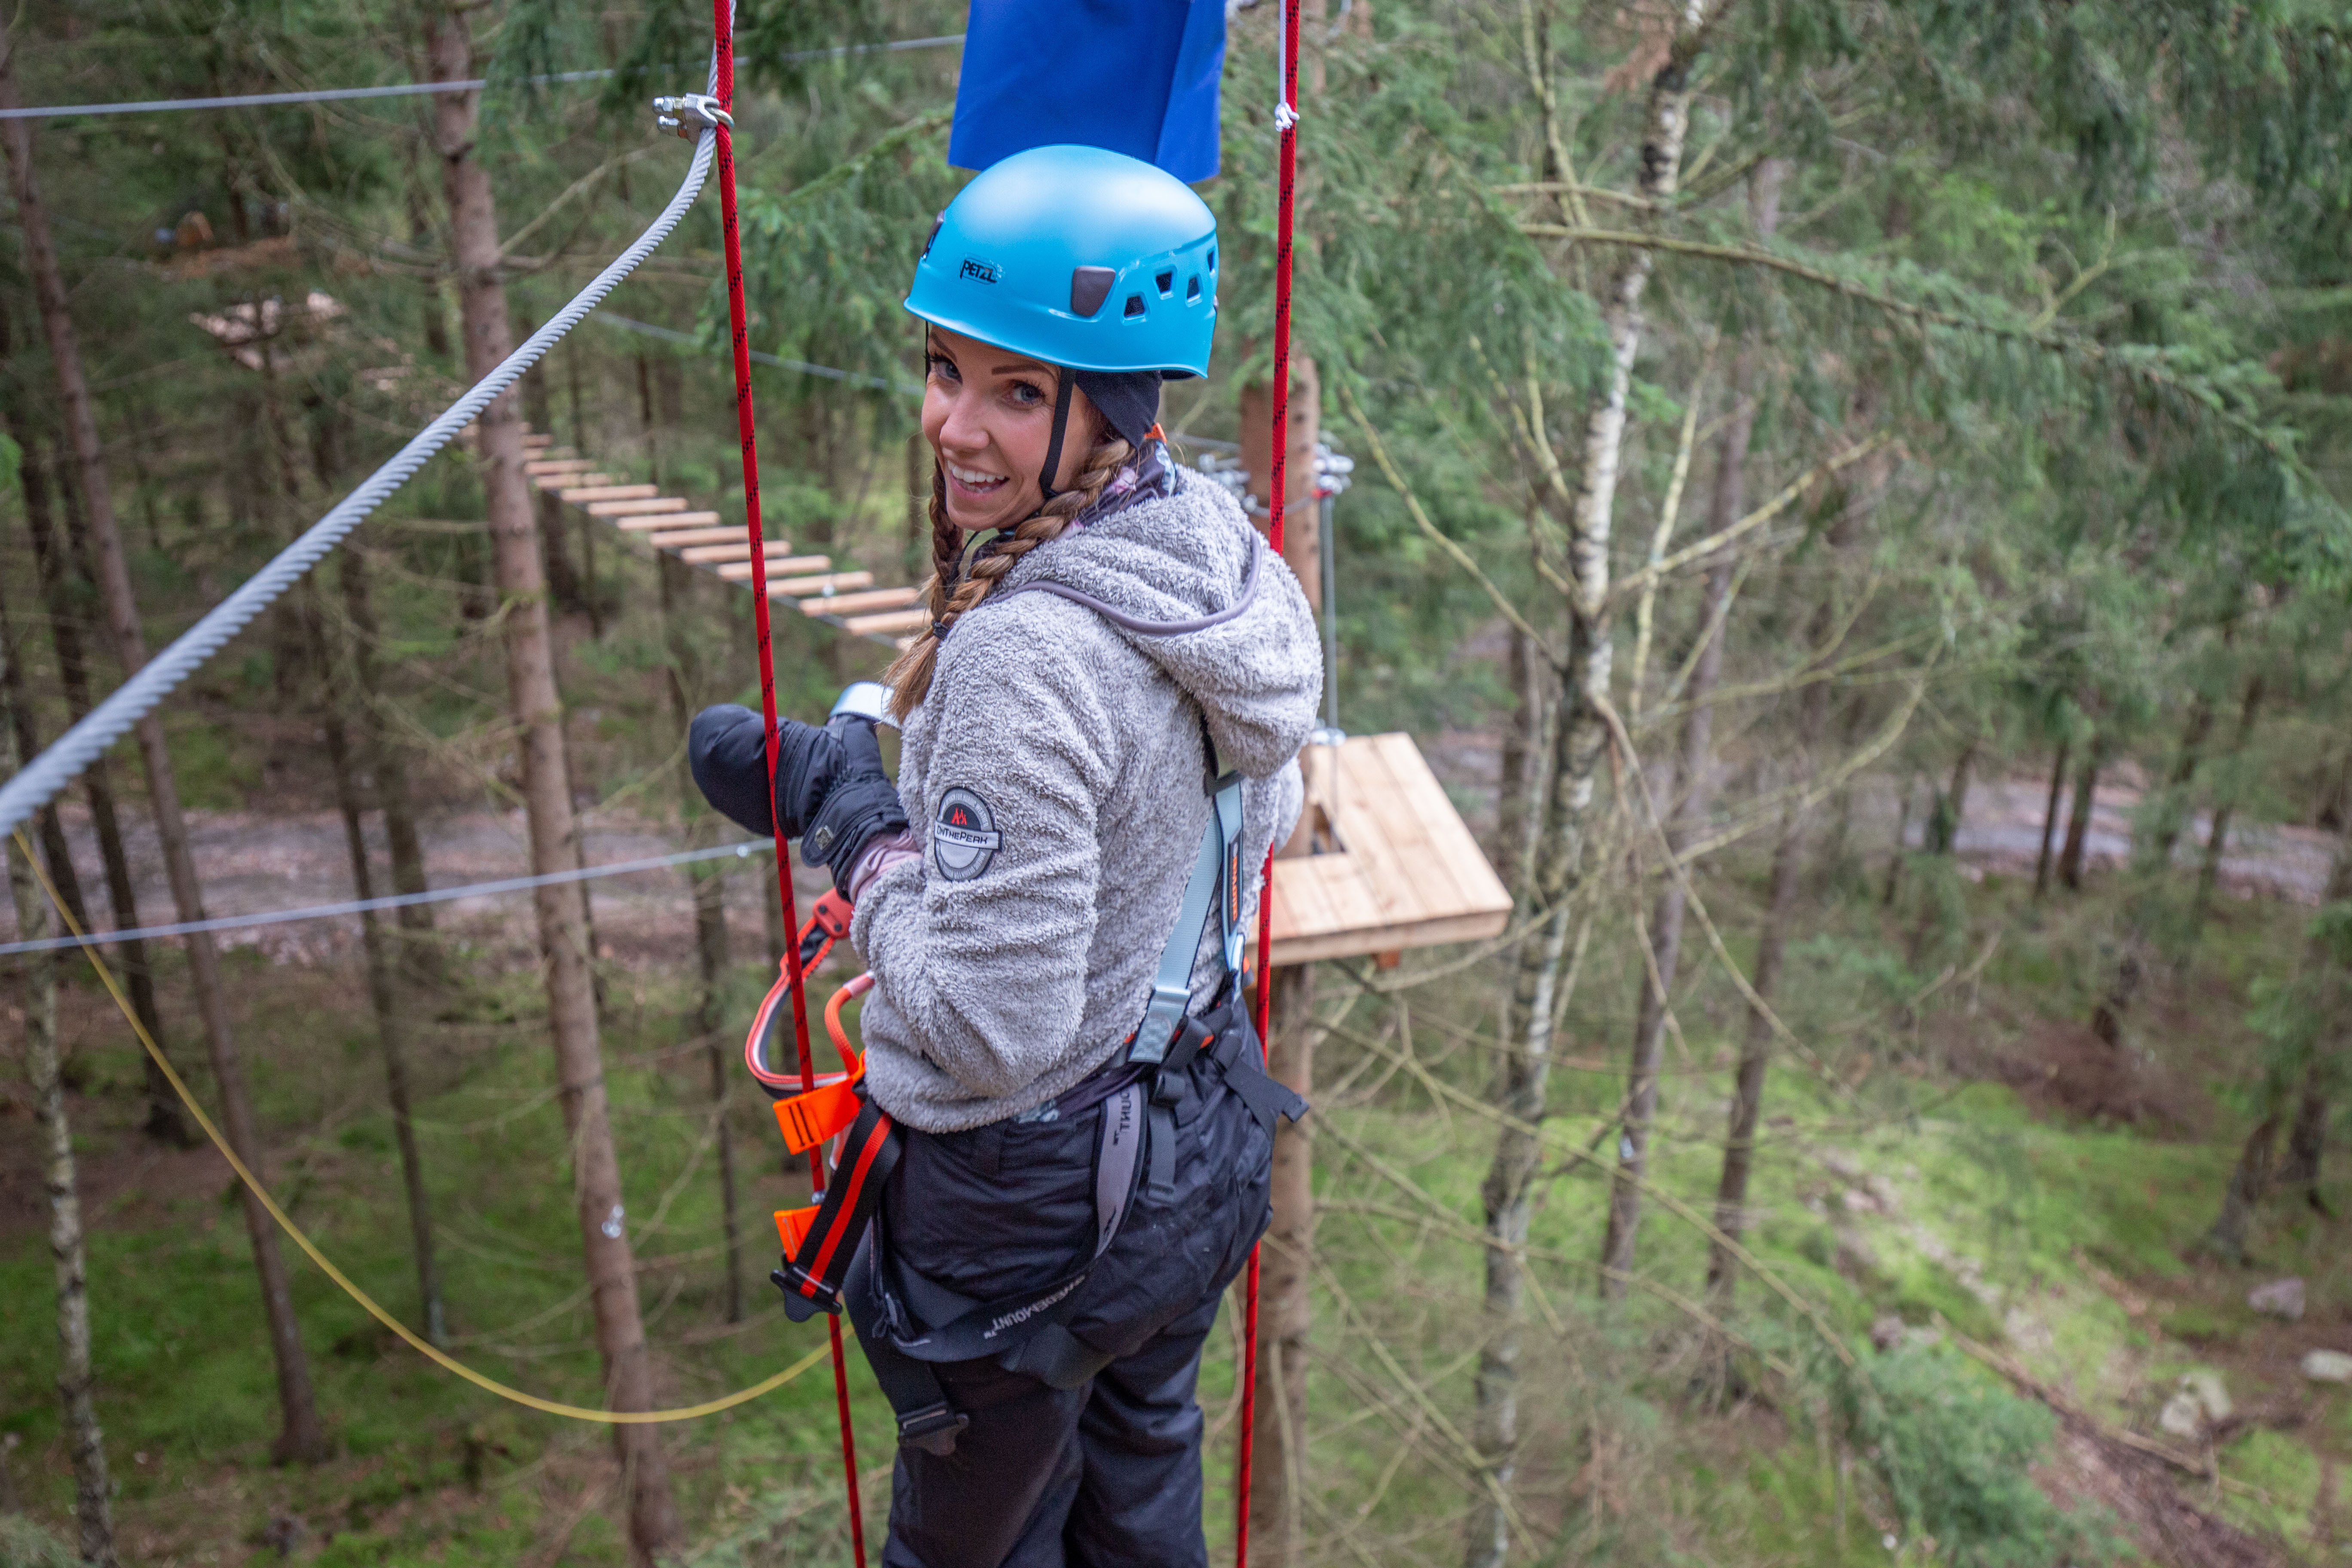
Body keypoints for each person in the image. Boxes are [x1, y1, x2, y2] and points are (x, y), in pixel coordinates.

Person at [688, 144, 1322, 1568]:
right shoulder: (1215, 556)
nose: (956, 426)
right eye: (947, 369)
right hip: (1197, 1142)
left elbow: (986, 1024)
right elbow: (1255, 824)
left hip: (1027, 1213)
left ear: (1110, 406)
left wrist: (866, 830)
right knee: (1140, 1499)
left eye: (1018, 391)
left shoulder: (1024, 653)